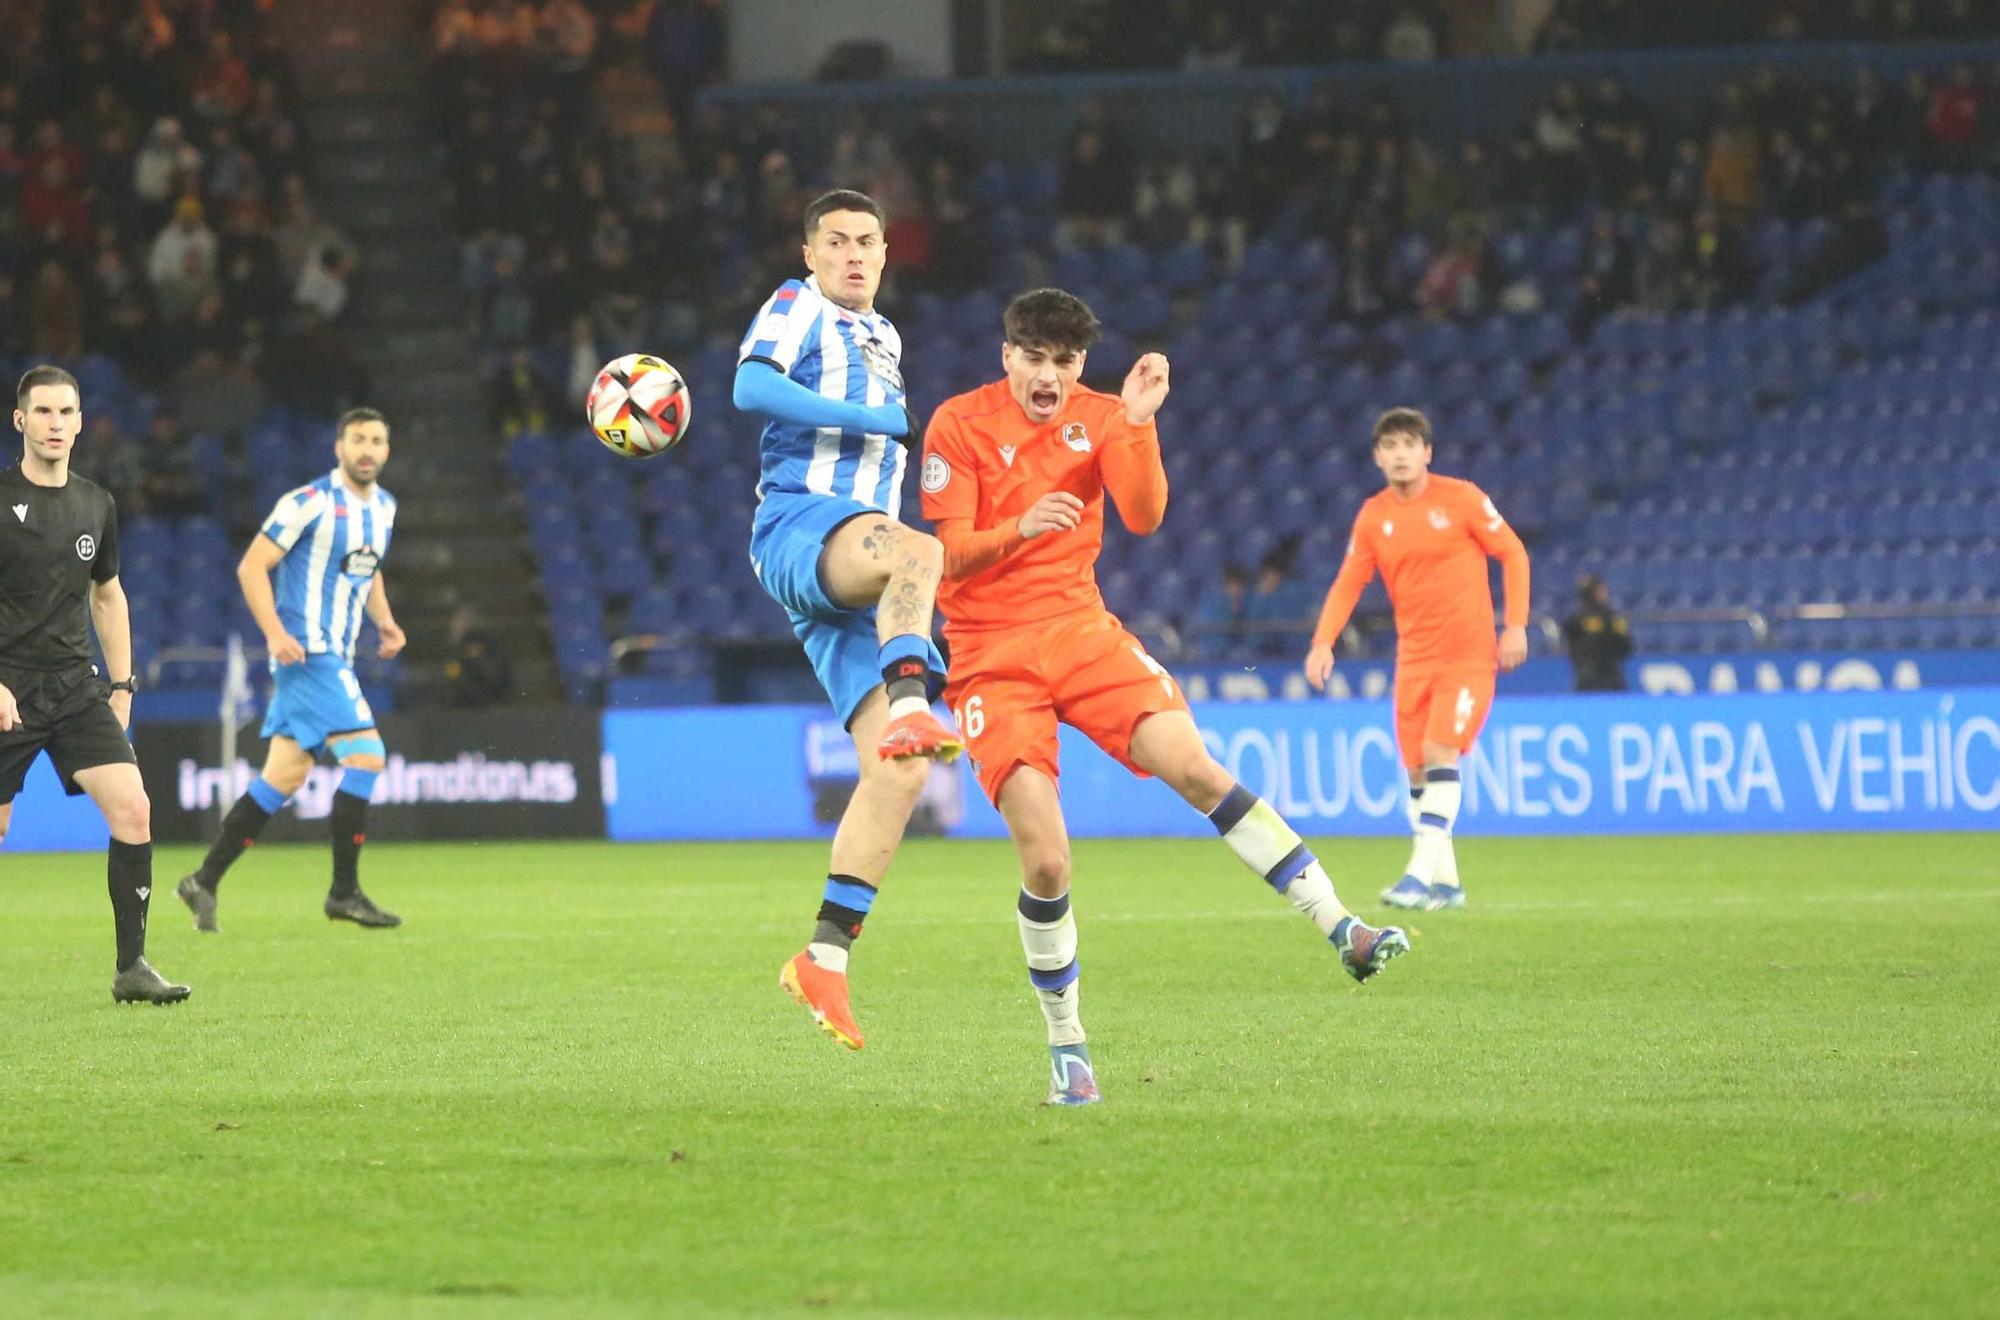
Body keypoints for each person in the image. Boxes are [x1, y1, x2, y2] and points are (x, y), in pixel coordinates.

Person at [921, 289, 1409, 1107]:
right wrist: (1019, 529)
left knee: (1195, 766)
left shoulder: (1106, 415)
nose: (1048, 377)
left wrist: (1139, 423)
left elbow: (1145, 517)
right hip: (989, 655)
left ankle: (1341, 927)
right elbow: (950, 555)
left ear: (1081, 365)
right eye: (1034, 359)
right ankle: (1068, 1047)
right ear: (1006, 355)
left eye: (1065, 363)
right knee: (1045, 856)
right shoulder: (957, 424)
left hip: (1081, 632)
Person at [730, 188, 963, 1053]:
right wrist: (867, 417)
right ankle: (914, 708)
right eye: (837, 242)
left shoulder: (885, 336)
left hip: (850, 564)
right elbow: (750, 386)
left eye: (869, 242)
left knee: (899, 780)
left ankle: (823, 955)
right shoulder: (799, 308)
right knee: (919, 554)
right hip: (802, 524)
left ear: (886, 254)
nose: (855, 254)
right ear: (811, 255)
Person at [176, 408, 407, 933]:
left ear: (387, 450)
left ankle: (203, 880)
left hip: (335, 653)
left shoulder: (386, 508)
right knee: (368, 756)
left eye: (376, 440)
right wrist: (276, 634)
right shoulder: (309, 502)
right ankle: (343, 892)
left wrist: (387, 624)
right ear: (338, 447)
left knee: (282, 777)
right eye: (357, 440)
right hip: (308, 652)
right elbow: (251, 565)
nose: (367, 449)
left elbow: (367, 572)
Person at [0, 366, 189, 1003]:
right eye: (43, 412)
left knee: (134, 809)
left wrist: (123, 684)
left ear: (81, 422)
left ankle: (132, 968)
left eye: (66, 412)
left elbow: (107, 597)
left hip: (77, 688)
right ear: (20, 420)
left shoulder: (95, 503)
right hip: (7, 687)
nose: (55, 424)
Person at [1305, 407, 1530, 913]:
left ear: (1427, 453)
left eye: (1410, 444)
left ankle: (1415, 876)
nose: (1401, 454)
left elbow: (1513, 553)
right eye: (1391, 446)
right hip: (1414, 659)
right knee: (1416, 773)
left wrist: (1515, 625)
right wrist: (1324, 641)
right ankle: (1447, 886)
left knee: (1438, 751)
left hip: (1467, 654)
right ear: (1377, 457)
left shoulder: (1463, 499)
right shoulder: (1374, 516)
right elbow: (1349, 581)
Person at [1562, 574, 1632, 692]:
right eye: (1599, 590)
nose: (1603, 594)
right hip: (1588, 679)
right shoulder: (1576, 621)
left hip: (1612, 678)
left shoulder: (1613, 619)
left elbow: (1626, 646)